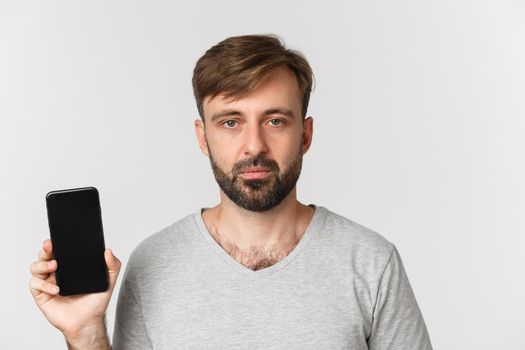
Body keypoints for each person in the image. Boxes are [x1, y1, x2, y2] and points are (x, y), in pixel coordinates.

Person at [29, 34, 433, 349]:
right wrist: (84, 335)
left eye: (275, 121)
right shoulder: (153, 264)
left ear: (305, 134)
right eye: (230, 122)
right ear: (202, 137)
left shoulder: (371, 262)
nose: (253, 145)